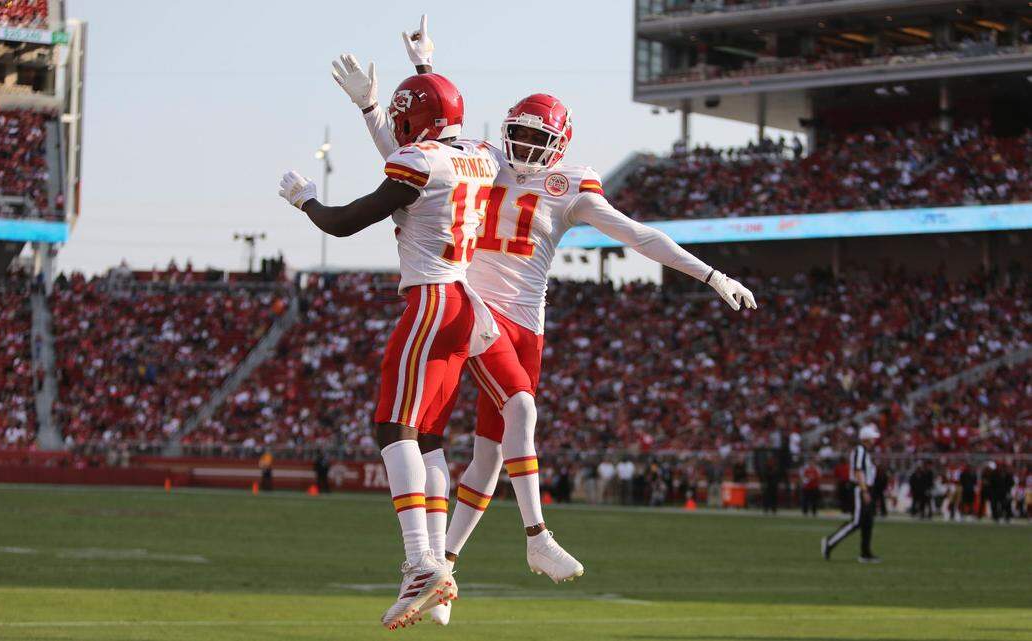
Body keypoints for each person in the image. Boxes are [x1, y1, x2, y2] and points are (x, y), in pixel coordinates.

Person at [332, 15, 756, 617]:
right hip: (474, 311)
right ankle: (534, 538)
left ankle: (444, 570)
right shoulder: (480, 157)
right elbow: (417, 153)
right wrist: (416, 77)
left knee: (489, 454)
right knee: (517, 410)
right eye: (519, 135)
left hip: (526, 325)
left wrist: (712, 275)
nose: (524, 149)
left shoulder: (572, 184)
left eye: (538, 139)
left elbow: (640, 237)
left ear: (560, 144)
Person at [279, 70, 499, 630]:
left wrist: (306, 200)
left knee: (392, 427)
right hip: (463, 307)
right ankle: (434, 567)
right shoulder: (480, 154)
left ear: (416, 119)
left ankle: (422, 563)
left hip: (431, 300)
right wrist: (408, 85)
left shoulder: (421, 164)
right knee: (427, 440)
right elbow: (426, 144)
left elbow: (345, 223)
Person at [821, 425, 881, 563]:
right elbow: (858, 471)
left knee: (868, 523)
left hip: (865, 488)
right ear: (866, 438)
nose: (874, 440)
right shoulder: (860, 450)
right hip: (860, 488)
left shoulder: (863, 451)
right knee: (857, 522)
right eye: (872, 437)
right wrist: (864, 490)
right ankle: (830, 542)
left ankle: (865, 553)